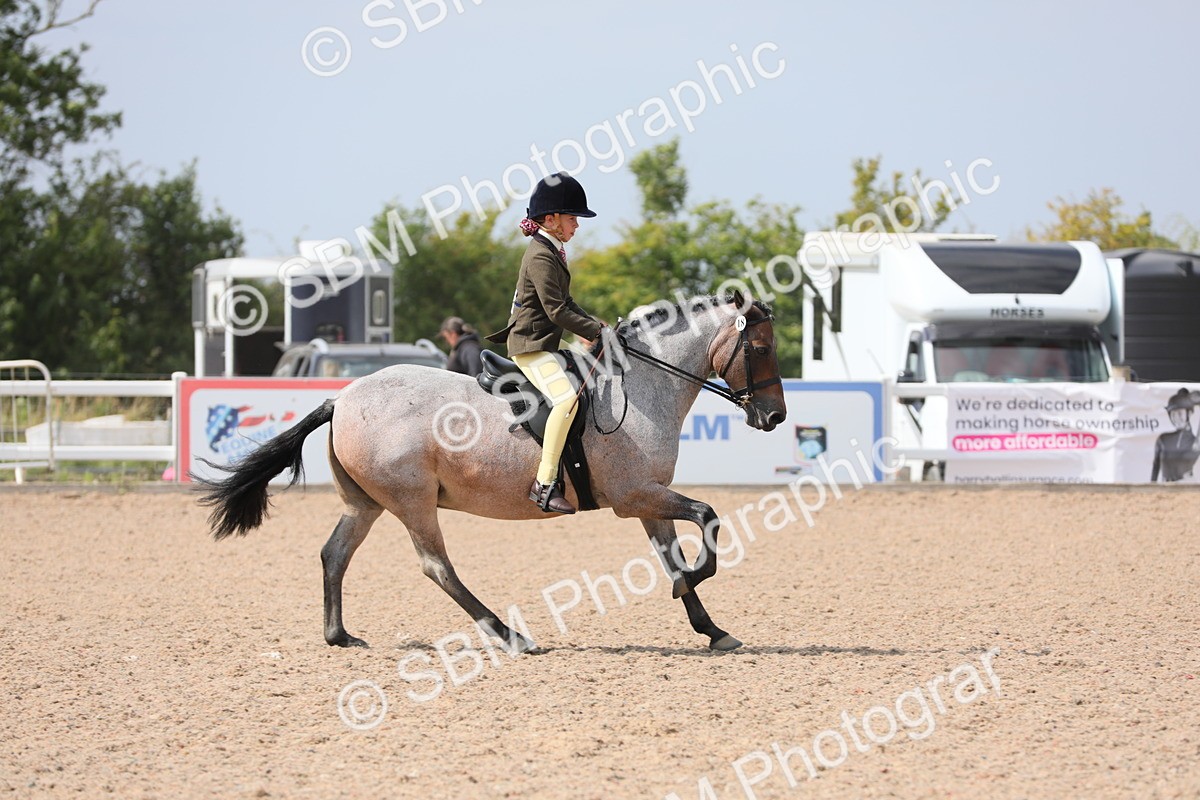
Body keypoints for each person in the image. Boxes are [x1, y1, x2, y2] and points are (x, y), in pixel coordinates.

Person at [486, 172, 605, 514]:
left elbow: (568, 302)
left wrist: (598, 326)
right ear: (550, 219)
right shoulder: (540, 255)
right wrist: (595, 332)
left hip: (546, 343)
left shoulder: (552, 250)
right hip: (530, 346)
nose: (576, 225)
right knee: (567, 400)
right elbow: (556, 311)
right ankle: (545, 482)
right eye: (572, 218)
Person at [1150, 388, 1200, 482]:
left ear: (1189, 413)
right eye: (1173, 414)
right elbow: (1156, 466)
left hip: (1187, 485)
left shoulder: (1195, 442)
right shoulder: (1163, 439)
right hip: (1165, 486)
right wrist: (1152, 486)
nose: (1176, 418)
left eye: (1180, 413)